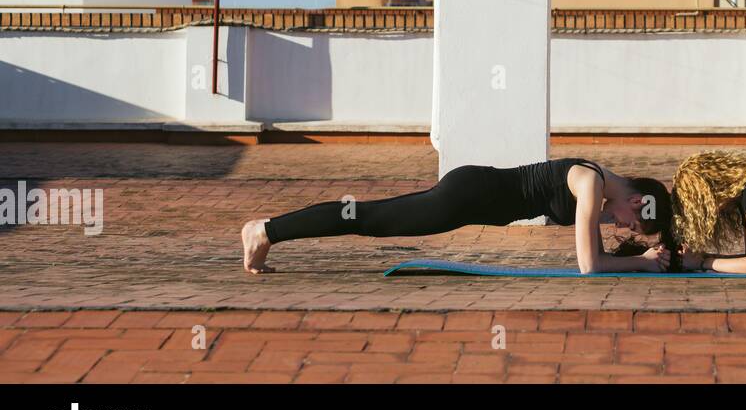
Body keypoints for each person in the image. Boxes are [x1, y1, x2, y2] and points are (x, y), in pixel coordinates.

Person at [241, 158, 672, 275]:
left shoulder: (597, 192)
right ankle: (265, 230)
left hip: (471, 198)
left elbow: (599, 253)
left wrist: (670, 249)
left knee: (371, 218)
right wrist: (642, 262)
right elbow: (589, 265)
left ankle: (270, 231)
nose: (620, 229)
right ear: (635, 202)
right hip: (467, 196)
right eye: (630, 223)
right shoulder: (589, 184)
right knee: (368, 218)